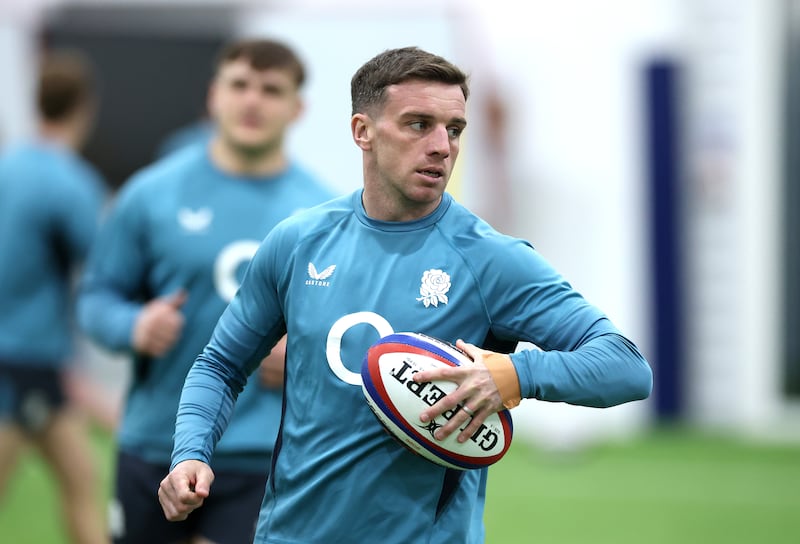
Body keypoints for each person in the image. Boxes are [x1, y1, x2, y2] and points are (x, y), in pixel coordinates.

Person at [157, 46, 653, 543]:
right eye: (419, 124)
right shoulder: (298, 242)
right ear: (363, 131)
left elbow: (626, 367)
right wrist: (191, 454)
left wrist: (516, 374)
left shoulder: (490, 260)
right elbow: (220, 365)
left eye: (454, 129)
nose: (442, 145)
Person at [77, 38, 335, 544]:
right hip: (154, 442)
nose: (253, 101)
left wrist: (309, 351)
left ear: (298, 107)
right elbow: (95, 297)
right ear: (214, 95)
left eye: (271, 89)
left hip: (263, 454)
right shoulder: (151, 195)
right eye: (239, 85)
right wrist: (133, 325)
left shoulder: (323, 215)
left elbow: (352, 330)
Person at [0, 49, 108, 544]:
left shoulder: (8, 167)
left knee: (80, 478)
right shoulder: (71, 182)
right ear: (84, 107)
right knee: (78, 484)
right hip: (24, 355)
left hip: (30, 357)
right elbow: (105, 267)